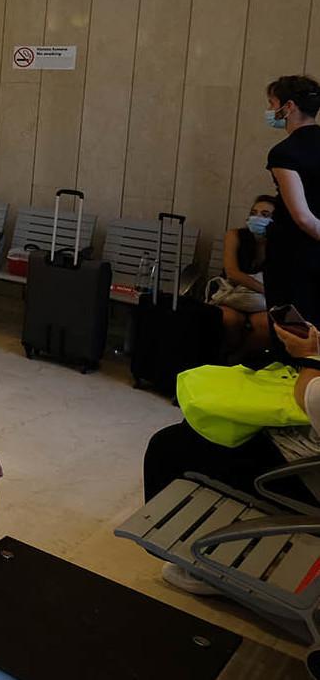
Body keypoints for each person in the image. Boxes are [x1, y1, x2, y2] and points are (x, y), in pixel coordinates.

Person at [142, 320, 320, 596]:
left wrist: (309, 356)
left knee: (169, 447)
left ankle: (210, 567)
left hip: (303, 475)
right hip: (303, 450)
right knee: (203, 430)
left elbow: (311, 398)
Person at [263, 75, 320, 328]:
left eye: (272, 103)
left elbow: (302, 216)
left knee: (291, 331)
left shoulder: (285, 152)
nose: (270, 111)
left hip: (294, 256)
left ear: (289, 107)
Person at [206, 195, 276, 360]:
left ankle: (239, 359)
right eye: (254, 213)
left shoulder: (282, 244)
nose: (257, 218)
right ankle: (222, 358)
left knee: (265, 325)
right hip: (232, 295)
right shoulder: (235, 235)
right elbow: (232, 272)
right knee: (229, 320)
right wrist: (265, 290)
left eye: (265, 215)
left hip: (262, 302)